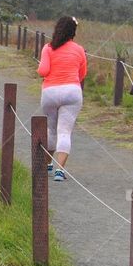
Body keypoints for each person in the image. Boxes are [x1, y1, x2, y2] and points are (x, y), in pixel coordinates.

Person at [36, 17, 87, 181]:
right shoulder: (79, 49)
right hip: (72, 91)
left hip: (50, 92)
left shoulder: (48, 48)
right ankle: (59, 171)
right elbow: (82, 74)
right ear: (73, 32)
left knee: (51, 130)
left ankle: (47, 164)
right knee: (64, 131)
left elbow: (43, 71)